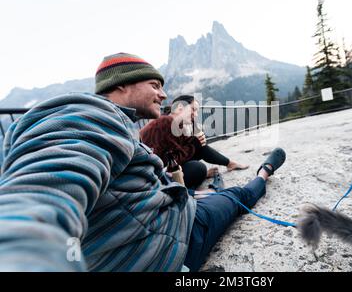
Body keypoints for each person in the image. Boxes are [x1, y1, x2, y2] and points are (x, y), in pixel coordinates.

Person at [0, 52, 286, 272]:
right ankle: (264, 172)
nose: (163, 94)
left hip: (150, 219)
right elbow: (41, 196)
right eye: (154, 85)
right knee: (237, 196)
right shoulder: (89, 117)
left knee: (204, 185)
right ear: (121, 85)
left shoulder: (118, 122)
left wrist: (181, 180)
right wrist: (28, 254)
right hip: (172, 241)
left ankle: (210, 189)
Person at [140, 95, 249, 189]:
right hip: (158, 176)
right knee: (198, 168)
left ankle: (230, 164)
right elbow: (170, 162)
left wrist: (196, 140)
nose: (196, 114)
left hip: (168, 167)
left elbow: (186, 147)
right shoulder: (165, 122)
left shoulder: (177, 123)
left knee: (201, 148)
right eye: (193, 109)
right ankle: (199, 179)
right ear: (180, 108)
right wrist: (195, 143)